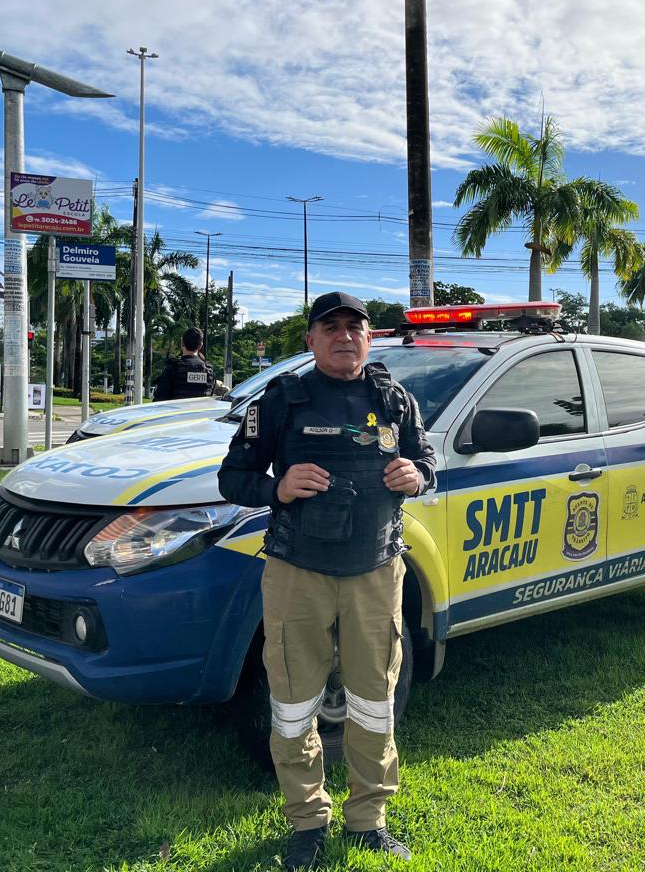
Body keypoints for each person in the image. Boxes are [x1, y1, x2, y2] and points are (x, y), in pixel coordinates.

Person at [218, 292, 435, 870]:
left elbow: (427, 464)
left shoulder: (394, 398)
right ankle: (308, 820)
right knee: (293, 703)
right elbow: (232, 477)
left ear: (369, 338)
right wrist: (278, 487)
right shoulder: (281, 400)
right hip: (298, 573)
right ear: (310, 339)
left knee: (374, 701)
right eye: (330, 327)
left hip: (376, 572)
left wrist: (416, 476)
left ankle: (368, 820)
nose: (344, 336)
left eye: (354, 327)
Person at [152, 327, 214, 401]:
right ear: (200, 345)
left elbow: (159, 398)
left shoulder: (173, 368)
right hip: (201, 408)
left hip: (177, 408)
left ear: (182, 343)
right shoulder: (209, 370)